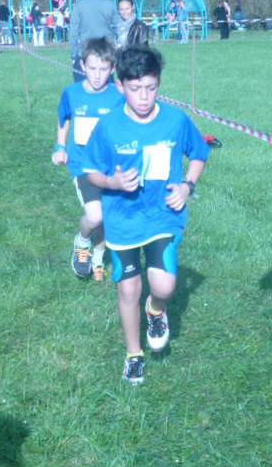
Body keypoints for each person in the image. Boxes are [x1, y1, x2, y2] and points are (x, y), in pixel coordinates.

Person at [83, 47, 210, 385]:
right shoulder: (109, 126)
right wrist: (113, 182)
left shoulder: (175, 121)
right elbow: (91, 172)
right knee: (128, 291)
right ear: (120, 85)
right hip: (122, 220)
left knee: (164, 286)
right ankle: (133, 355)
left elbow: (199, 154)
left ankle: (155, 310)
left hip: (162, 216)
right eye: (135, 88)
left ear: (159, 84)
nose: (143, 97)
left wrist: (187, 186)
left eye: (151, 88)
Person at [52, 37, 124, 282]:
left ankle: (98, 260)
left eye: (103, 69)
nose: (97, 75)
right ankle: (82, 243)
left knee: (105, 215)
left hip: (109, 168)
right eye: (92, 68)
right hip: (82, 164)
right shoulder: (71, 93)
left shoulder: (117, 96)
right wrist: (60, 146)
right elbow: (64, 118)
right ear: (82, 66)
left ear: (112, 69)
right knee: (94, 216)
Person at [69, 0, 117, 82]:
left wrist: (73, 55)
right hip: (105, 54)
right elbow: (119, 26)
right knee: (106, 91)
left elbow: (73, 33)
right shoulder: (110, 3)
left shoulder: (78, 5)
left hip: (84, 55)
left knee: (83, 91)